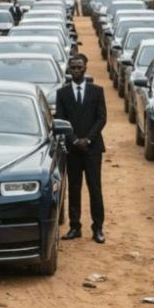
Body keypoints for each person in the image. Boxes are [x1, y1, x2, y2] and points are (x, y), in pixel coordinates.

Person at [55, 53, 107, 244]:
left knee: (95, 188)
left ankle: (98, 228)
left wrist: (88, 140)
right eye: (73, 67)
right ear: (69, 69)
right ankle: (74, 226)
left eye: (79, 67)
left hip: (92, 150)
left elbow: (102, 118)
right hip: (72, 149)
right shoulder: (63, 93)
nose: (76, 70)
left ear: (85, 68)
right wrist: (75, 140)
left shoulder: (97, 91)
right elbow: (60, 118)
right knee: (74, 188)